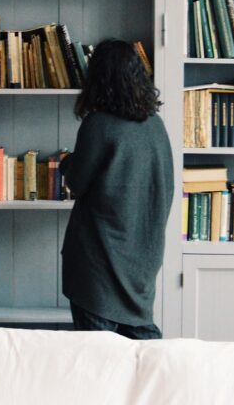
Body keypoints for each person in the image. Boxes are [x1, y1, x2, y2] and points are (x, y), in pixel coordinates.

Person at [59, 39, 173, 339]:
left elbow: (76, 182)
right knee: (143, 348)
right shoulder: (155, 125)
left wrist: (66, 162)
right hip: (143, 254)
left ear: (98, 79)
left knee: (99, 356)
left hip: (99, 256)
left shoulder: (98, 124)